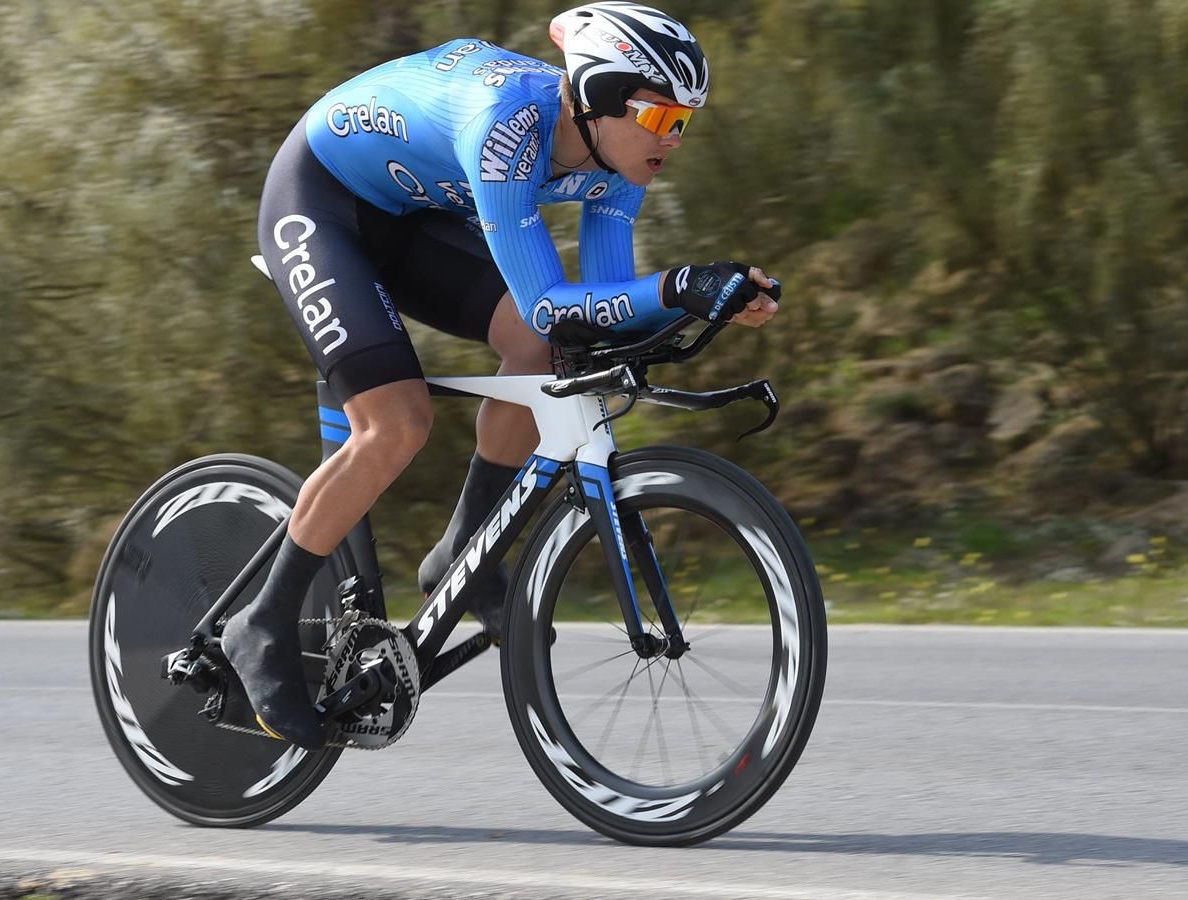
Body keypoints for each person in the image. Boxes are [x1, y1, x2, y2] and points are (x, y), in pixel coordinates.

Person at [225, 1, 780, 749]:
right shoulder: (508, 127)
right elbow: (554, 303)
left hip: (411, 212)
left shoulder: (619, 165)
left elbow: (595, 316)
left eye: (682, 123)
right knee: (398, 423)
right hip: (320, 202)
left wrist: (709, 298)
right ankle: (261, 622)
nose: (670, 141)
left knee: (544, 353)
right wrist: (677, 285)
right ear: (597, 94)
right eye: (658, 118)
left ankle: (463, 548)